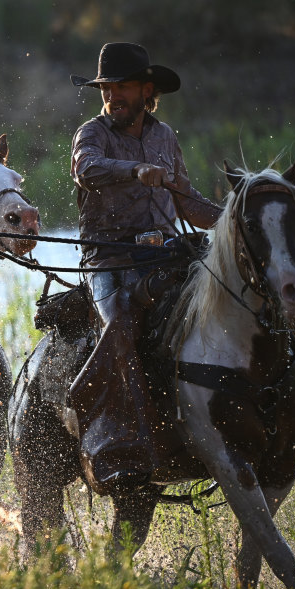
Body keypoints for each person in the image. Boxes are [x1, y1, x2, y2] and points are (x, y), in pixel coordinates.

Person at [67, 42, 223, 496]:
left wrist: (236, 216)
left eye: (123, 87)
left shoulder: (166, 137)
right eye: (107, 87)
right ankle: (117, 436)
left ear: (146, 90)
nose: (113, 95)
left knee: (237, 300)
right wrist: (136, 170)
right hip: (108, 260)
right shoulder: (91, 134)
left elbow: (188, 202)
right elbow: (87, 169)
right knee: (119, 324)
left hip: (168, 257)